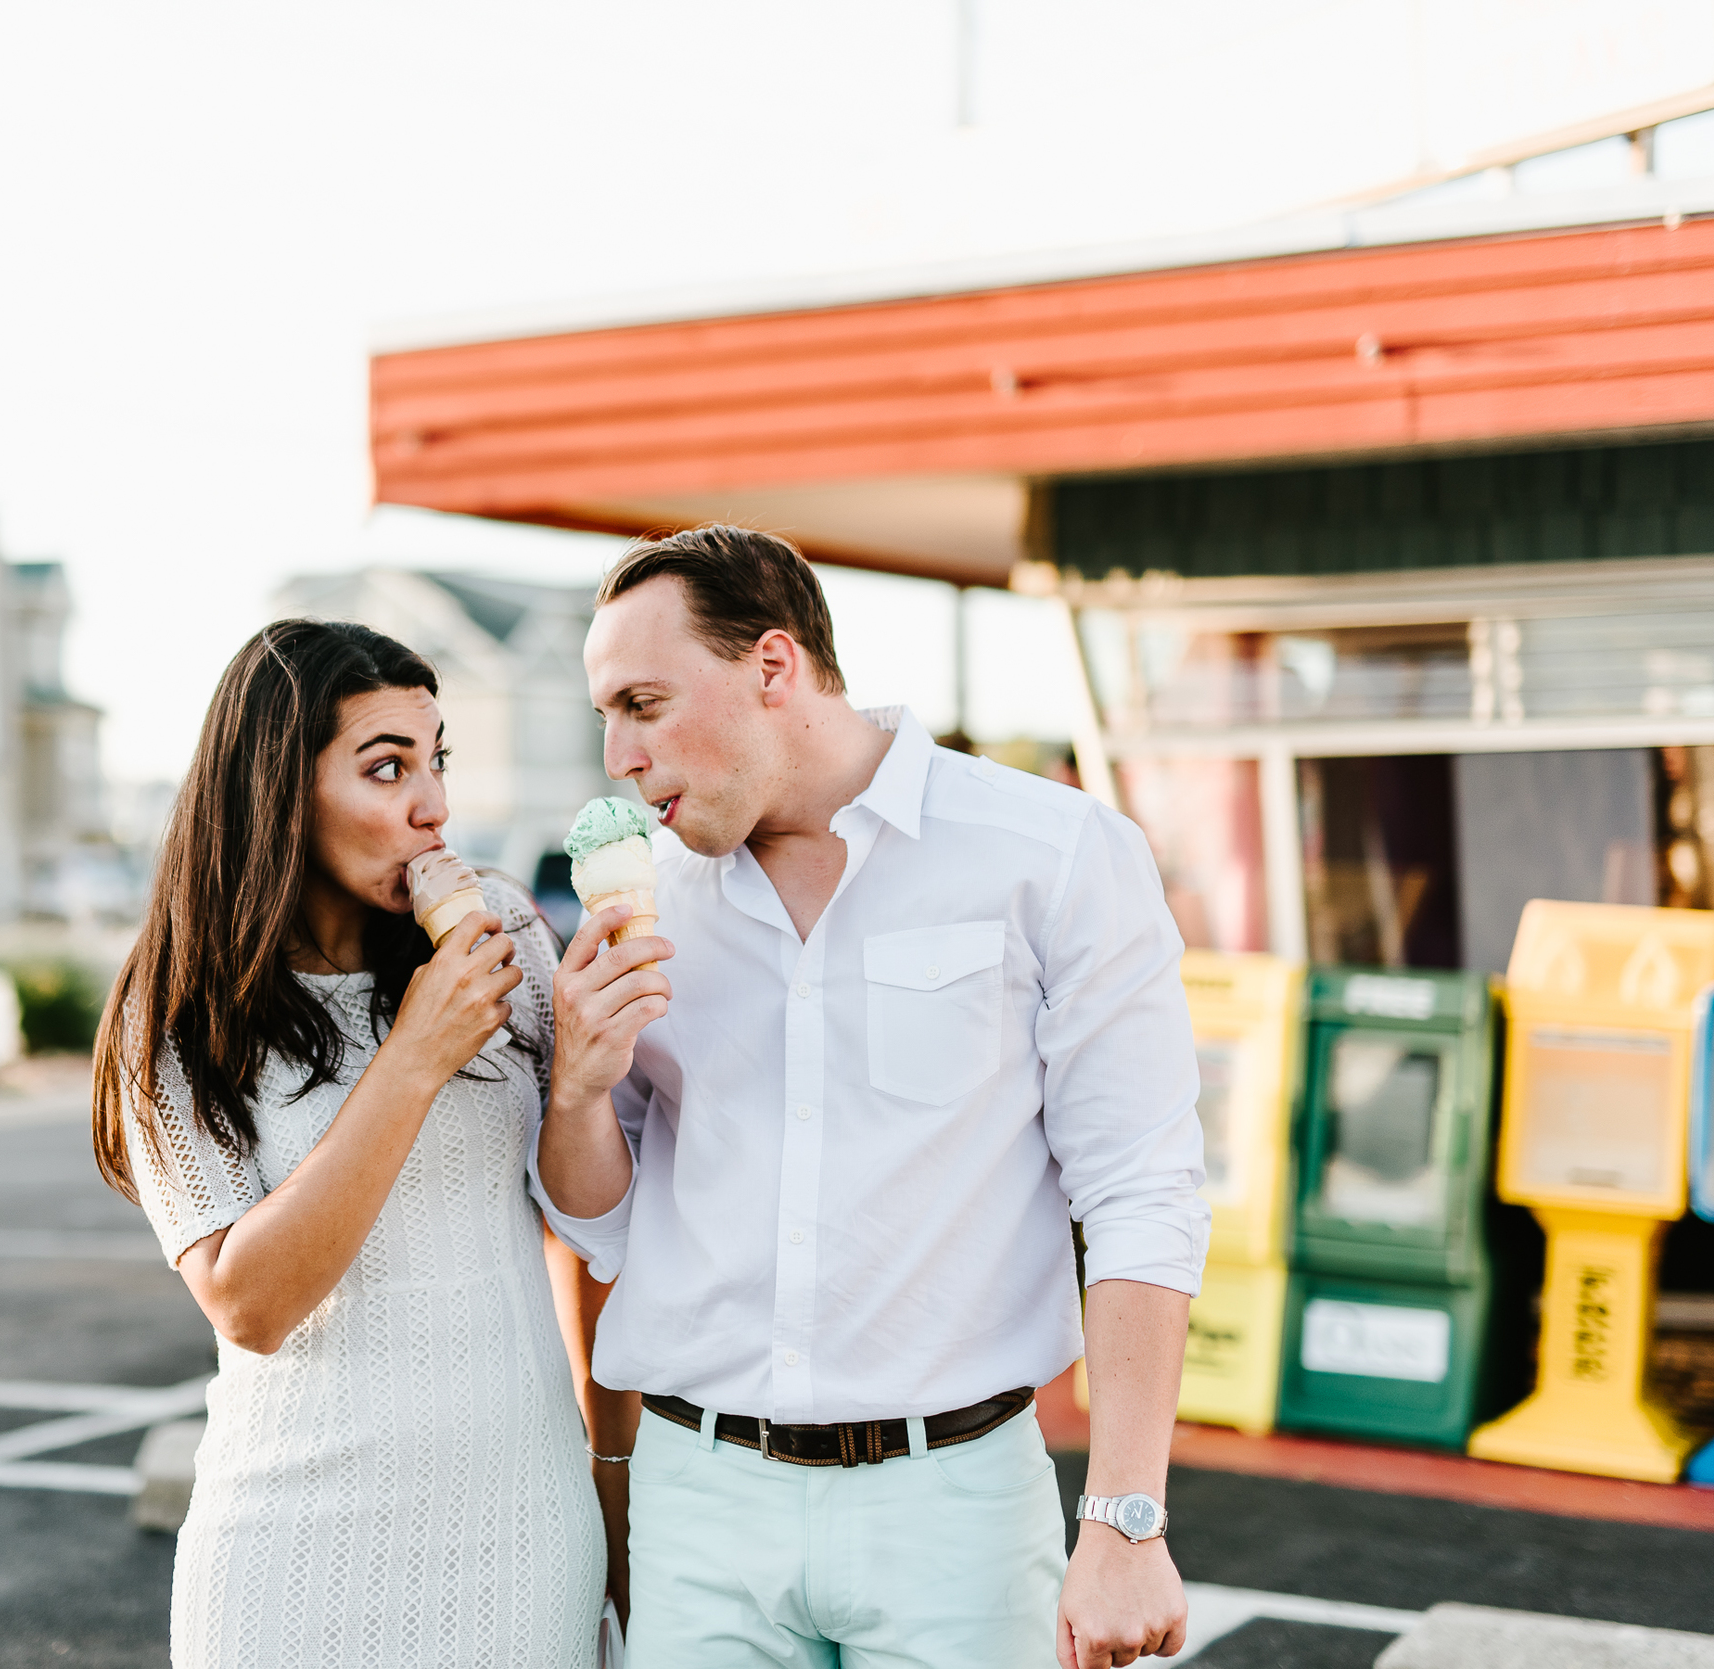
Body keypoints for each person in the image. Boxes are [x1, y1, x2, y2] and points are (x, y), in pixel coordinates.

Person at [536, 526, 1208, 1669]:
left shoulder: (1051, 852)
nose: (617, 752)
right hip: (702, 1498)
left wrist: (1124, 1515)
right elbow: (603, 1223)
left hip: (954, 1505)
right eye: (606, 713)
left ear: (772, 666)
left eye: (643, 703)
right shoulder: (651, 907)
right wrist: (579, 1090)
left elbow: (1140, 1185)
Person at [91, 620, 609, 1667]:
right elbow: (251, 1301)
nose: (435, 807)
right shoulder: (178, 1004)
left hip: (522, 1526)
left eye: (436, 761)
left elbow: (590, 1229)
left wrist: (620, 1489)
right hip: (287, 1549)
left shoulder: (501, 931)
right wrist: (414, 1055)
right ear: (280, 788)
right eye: (387, 767)